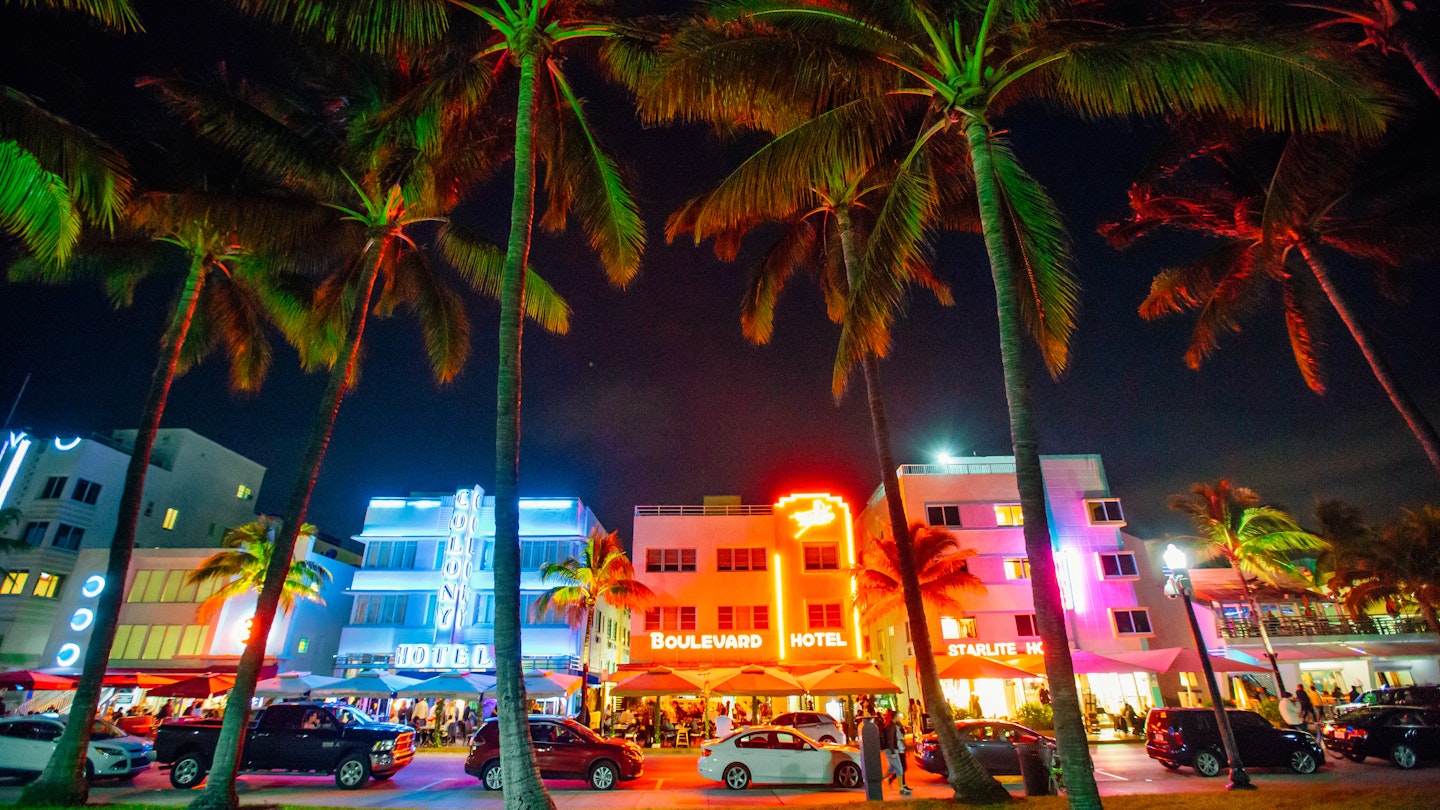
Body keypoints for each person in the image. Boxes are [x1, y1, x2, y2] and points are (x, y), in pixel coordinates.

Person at [879, 709, 911, 795]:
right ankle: (901, 789)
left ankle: (879, 780)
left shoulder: (891, 725)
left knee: (892, 768)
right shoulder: (892, 726)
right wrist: (892, 752)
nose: (899, 718)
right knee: (900, 769)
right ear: (895, 717)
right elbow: (890, 739)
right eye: (898, 716)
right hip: (892, 750)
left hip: (891, 749)